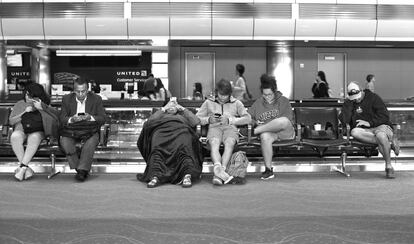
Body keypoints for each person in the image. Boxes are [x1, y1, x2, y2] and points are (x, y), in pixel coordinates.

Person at [339, 81, 399, 179]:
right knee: (354, 132)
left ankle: (388, 166)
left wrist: (369, 123)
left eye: (358, 96)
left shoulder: (373, 98)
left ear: (362, 91)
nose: (356, 99)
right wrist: (349, 104)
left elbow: (385, 116)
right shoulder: (350, 102)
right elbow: (345, 120)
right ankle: (389, 143)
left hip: (381, 126)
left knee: (380, 135)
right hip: (366, 132)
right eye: (353, 98)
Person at [196, 79, 251, 185]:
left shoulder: (236, 103)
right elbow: (197, 118)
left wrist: (231, 120)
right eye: (220, 94)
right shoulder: (208, 102)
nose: (222, 97)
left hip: (230, 128)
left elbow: (247, 118)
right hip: (214, 128)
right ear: (217, 92)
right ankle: (219, 169)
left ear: (229, 94)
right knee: (214, 143)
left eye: (225, 95)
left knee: (229, 143)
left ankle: (219, 173)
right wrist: (208, 119)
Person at [137, 100, 203, 188]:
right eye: (170, 105)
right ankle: (155, 176)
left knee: (185, 146)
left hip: (181, 132)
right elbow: (149, 123)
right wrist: (163, 109)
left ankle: (187, 176)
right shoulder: (160, 115)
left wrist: (183, 109)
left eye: (174, 105)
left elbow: (196, 121)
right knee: (157, 148)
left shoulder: (182, 115)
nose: (172, 107)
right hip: (162, 133)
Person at [248, 74, 295, 180]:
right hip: (271, 134)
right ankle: (268, 170)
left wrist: (261, 127)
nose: (267, 97)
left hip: (285, 132)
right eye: (265, 95)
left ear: (275, 91)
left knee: (282, 121)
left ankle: (259, 130)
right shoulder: (258, 103)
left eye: (270, 94)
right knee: (264, 136)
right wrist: (255, 122)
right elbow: (248, 117)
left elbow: (286, 121)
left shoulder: (284, 100)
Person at [9, 82, 59, 181]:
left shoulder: (42, 104)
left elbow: (54, 119)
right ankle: (25, 168)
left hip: (37, 131)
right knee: (15, 136)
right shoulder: (20, 104)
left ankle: (22, 167)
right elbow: (11, 121)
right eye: (26, 94)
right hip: (21, 130)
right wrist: (24, 112)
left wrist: (42, 108)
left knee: (34, 138)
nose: (27, 96)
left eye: (29, 94)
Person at [59, 78, 106, 182]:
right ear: (74, 90)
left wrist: (91, 117)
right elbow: (62, 119)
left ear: (88, 90)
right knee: (65, 142)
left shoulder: (96, 99)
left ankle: (81, 170)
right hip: (71, 130)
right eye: (78, 91)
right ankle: (81, 169)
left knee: (91, 142)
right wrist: (72, 119)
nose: (80, 94)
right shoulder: (66, 99)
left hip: (90, 130)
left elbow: (103, 118)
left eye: (83, 91)